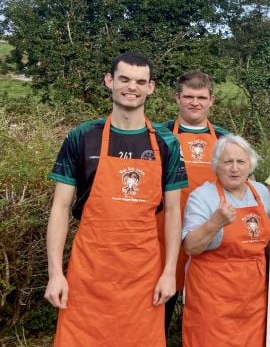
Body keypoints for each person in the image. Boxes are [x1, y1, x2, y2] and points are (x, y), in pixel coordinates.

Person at [45, 52, 187, 346]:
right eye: (124, 79)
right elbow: (60, 208)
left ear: (151, 87)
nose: (131, 87)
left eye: (140, 81)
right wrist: (56, 273)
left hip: (144, 274)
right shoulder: (81, 137)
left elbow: (173, 212)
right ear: (109, 81)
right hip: (89, 271)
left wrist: (169, 273)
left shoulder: (166, 143)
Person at [181, 135, 270, 346]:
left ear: (250, 165)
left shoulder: (261, 193)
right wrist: (214, 223)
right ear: (216, 165)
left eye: (240, 162)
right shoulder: (202, 197)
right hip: (213, 298)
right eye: (227, 162)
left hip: (253, 297)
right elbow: (191, 247)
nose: (234, 168)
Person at [158, 71, 230, 332]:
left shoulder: (225, 139)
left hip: (210, 234)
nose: (195, 102)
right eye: (188, 96)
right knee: (160, 303)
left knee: (208, 306)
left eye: (201, 97)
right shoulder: (158, 135)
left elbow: (244, 183)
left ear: (211, 100)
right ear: (177, 98)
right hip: (164, 234)